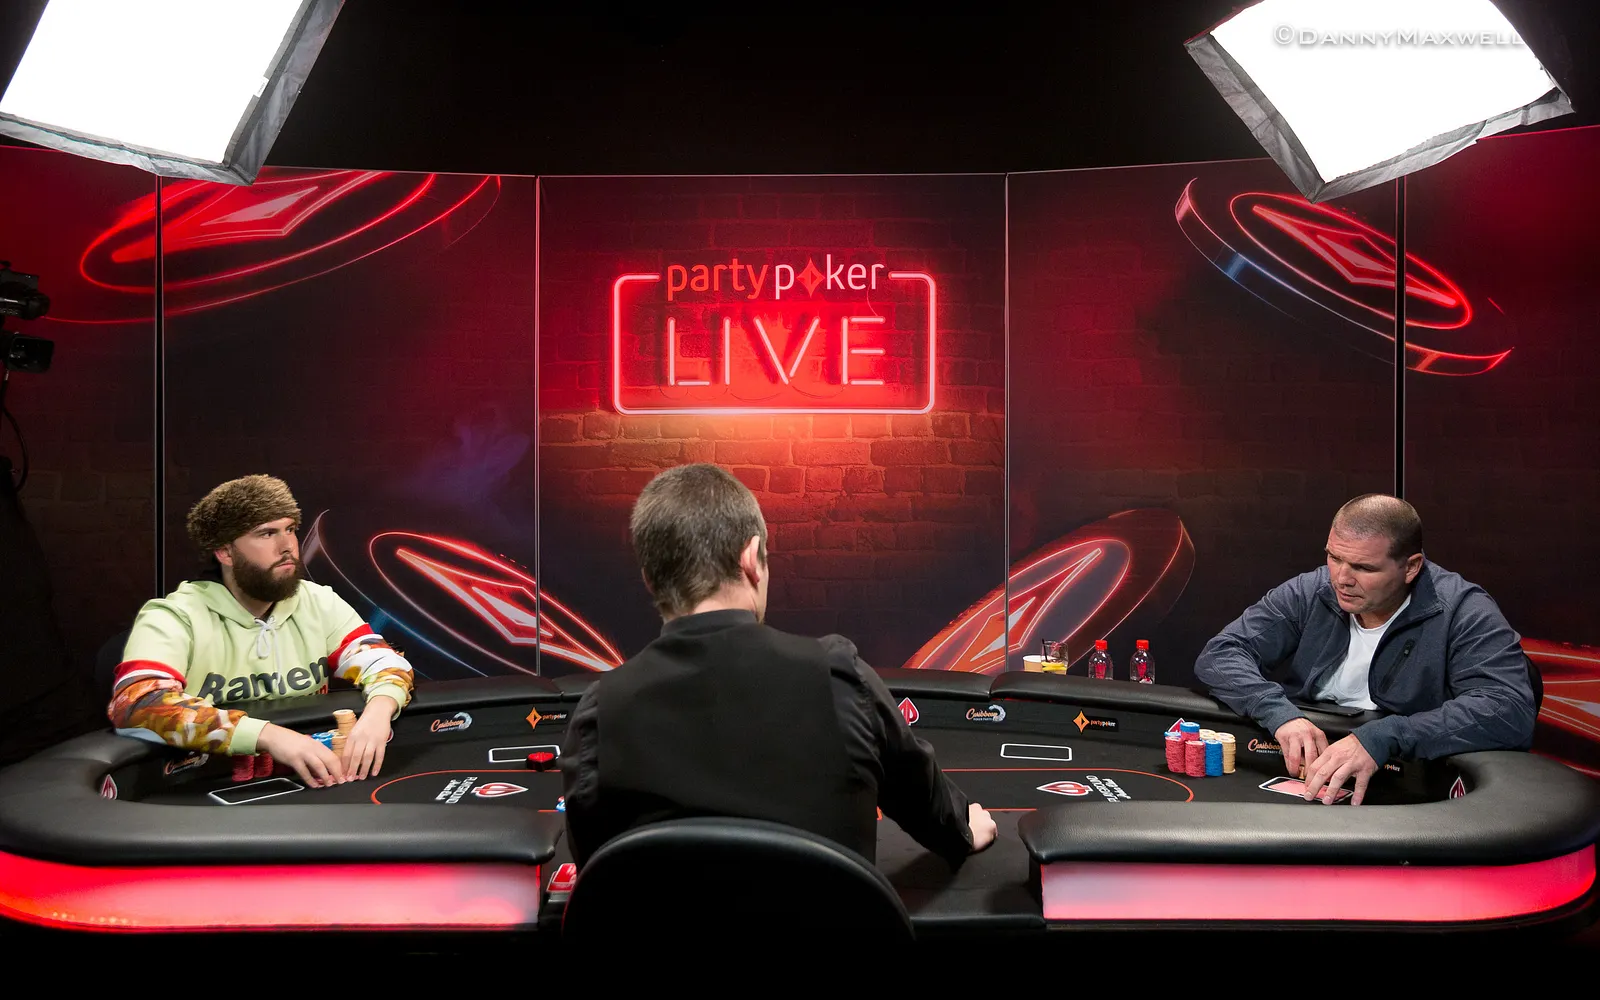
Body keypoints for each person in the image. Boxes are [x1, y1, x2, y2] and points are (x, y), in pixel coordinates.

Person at [560, 463, 996, 869]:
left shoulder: (600, 713)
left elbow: (597, 868)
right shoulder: (838, 676)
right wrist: (961, 828)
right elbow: (925, 801)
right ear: (751, 558)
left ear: (650, 579)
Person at [1194, 494, 1535, 806]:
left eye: (1363, 567)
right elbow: (1221, 653)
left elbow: (1508, 709)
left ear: (1411, 567)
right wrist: (1280, 714)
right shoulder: (1312, 590)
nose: (1342, 578)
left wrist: (1385, 736)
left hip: (1414, 785)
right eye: (1334, 557)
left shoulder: (1463, 610)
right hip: (1312, 769)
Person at [107, 475, 414, 788]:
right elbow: (138, 704)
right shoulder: (173, 616)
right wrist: (267, 735)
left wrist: (378, 712)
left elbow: (383, 661)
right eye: (267, 533)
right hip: (206, 785)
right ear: (225, 552)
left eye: (290, 529)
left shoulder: (317, 601)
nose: (287, 546)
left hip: (305, 779)